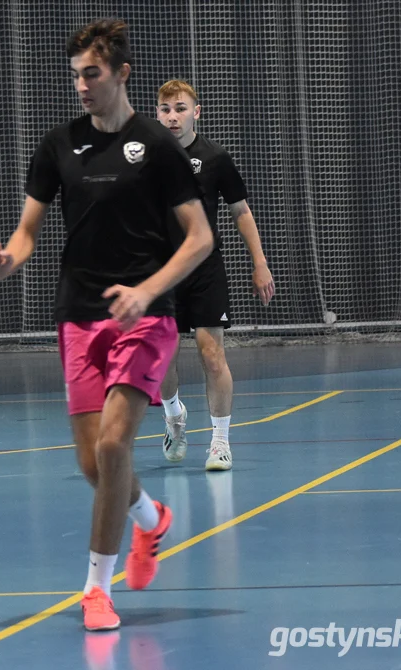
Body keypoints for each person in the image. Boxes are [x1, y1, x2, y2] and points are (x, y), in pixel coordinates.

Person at [0, 19, 214, 631]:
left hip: (146, 317)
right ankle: (150, 519)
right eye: (75, 75)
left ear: (121, 73)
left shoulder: (157, 148)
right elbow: (26, 234)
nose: (81, 85)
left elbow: (200, 239)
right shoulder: (58, 145)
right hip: (78, 316)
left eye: (92, 74)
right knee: (91, 465)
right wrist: (4, 265)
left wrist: (148, 291)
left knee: (113, 447)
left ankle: (95, 590)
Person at [154, 80, 275, 471]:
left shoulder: (216, 158)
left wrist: (259, 263)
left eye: (180, 108)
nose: (173, 116)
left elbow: (241, 212)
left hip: (205, 270)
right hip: (162, 273)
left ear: (196, 112)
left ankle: (220, 442)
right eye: (166, 109)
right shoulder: (145, 160)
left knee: (213, 355)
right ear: (157, 114)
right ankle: (174, 417)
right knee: (162, 361)